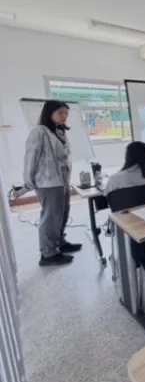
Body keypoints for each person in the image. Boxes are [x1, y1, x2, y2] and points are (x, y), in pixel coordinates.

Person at [23, 100, 81, 266]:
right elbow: (31, 158)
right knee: (51, 218)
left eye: (66, 113)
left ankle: (59, 243)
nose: (64, 116)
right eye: (60, 113)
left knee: (63, 213)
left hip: (62, 180)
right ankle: (48, 254)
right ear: (49, 113)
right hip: (48, 183)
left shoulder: (59, 131)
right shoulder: (39, 132)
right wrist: (28, 181)